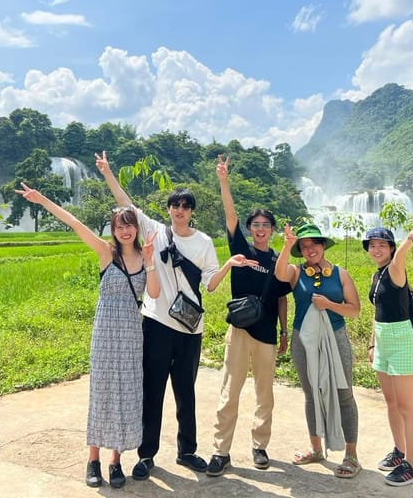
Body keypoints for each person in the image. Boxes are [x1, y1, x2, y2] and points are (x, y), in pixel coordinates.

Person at [95, 151, 257, 481]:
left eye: (185, 206)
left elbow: (210, 284)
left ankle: (187, 451)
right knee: (151, 391)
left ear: (191, 212)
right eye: (175, 206)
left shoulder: (204, 242)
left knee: (186, 391)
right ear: (169, 210)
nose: (180, 210)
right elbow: (126, 205)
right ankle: (146, 455)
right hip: (155, 324)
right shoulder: (154, 230)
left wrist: (227, 266)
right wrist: (108, 172)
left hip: (189, 328)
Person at [15, 182, 160, 490]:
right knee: (103, 394)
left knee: (127, 395)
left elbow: (156, 293)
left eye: (129, 226)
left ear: (136, 229)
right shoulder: (106, 253)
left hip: (132, 335)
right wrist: (41, 199)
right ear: (113, 230)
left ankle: (115, 461)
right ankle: (93, 460)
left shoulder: (146, 257)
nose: (125, 232)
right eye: (119, 227)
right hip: (105, 331)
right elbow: (75, 223)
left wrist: (149, 261)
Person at [206, 156, 292, 476]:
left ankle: (259, 445)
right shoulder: (241, 248)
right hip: (241, 330)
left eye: (264, 226)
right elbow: (230, 214)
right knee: (230, 391)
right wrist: (224, 181)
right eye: (255, 225)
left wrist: (284, 333)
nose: (259, 230)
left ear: (271, 230)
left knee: (264, 394)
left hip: (268, 333)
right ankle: (220, 450)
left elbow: (283, 299)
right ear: (250, 229)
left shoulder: (277, 259)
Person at [274, 221, 362, 479]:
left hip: (336, 337)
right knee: (311, 394)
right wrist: (287, 245)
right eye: (304, 245)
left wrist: (329, 304)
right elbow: (279, 274)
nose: (310, 249)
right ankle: (316, 449)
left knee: (344, 394)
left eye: (314, 244)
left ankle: (351, 455)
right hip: (304, 339)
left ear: (323, 246)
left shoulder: (341, 274)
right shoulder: (295, 272)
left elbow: (354, 309)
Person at [363, 216, 413, 487]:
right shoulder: (375, 275)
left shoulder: (394, 269)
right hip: (383, 340)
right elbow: (376, 313)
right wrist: (372, 343)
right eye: (372, 245)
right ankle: (399, 450)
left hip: (401, 340)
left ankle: (411, 466)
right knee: (391, 403)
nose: (377, 249)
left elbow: (402, 255)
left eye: (382, 244)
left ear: (391, 248)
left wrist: (410, 238)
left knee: (406, 407)